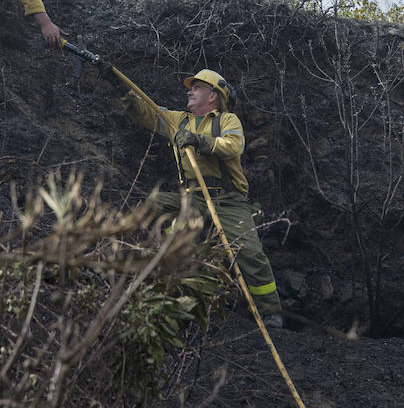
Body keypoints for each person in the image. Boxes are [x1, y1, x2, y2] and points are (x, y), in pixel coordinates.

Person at [113, 68, 284, 328]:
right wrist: (119, 86)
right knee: (154, 206)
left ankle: (270, 312)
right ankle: (147, 273)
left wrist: (199, 141)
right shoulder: (178, 120)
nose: (189, 91)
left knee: (250, 252)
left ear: (213, 96)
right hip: (192, 197)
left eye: (197, 88)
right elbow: (144, 112)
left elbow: (233, 146)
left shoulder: (228, 120)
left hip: (228, 200)